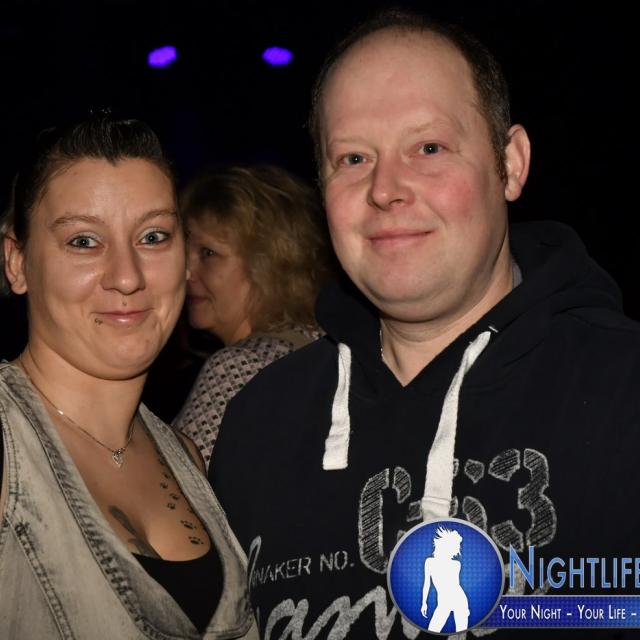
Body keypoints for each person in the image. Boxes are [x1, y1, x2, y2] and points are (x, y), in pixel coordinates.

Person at [208, 9, 640, 639]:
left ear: (511, 163)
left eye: (429, 148)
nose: (385, 189)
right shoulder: (258, 426)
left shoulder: (623, 392)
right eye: (353, 157)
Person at [0, 115, 258, 639]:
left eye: (153, 236)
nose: (127, 277)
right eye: (84, 241)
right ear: (17, 262)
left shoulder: (186, 457)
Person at [173, 165, 334, 467]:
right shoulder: (330, 347)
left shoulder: (240, 367)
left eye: (208, 253)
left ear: (269, 262)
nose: (186, 272)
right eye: (184, 253)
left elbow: (175, 486)